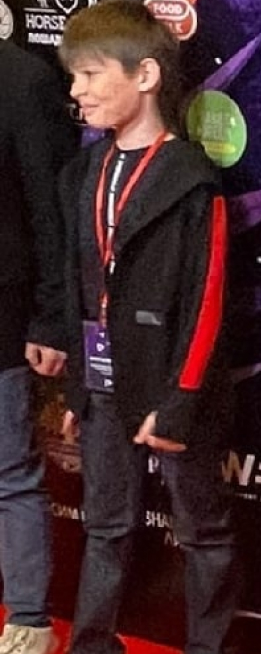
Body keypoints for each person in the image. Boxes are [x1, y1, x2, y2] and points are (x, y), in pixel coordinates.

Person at [53, 0, 240, 654]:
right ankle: (92, 644)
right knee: (105, 525)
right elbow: (80, 289)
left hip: (174, 390)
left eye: (91, 74)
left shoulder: (192, 181)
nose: (77, 91)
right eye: (73, 77)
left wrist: (180, 402)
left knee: (202, 531)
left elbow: (207, 303)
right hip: (104, 386)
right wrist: (79, 386)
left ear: (146, 76)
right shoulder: (84, 174)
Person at [0, 38, 78, 654]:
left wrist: (52, 319)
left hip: (4, 311)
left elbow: (52, 210)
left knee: (10, 473)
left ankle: (29, 621)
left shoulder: (22, 79)